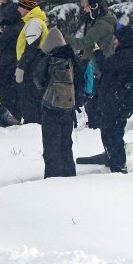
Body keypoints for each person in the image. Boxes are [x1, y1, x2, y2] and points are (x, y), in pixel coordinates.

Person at [34, 28, 82, 178]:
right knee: (66, 144)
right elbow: (80, 82)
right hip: (68, 108)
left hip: (50, 108)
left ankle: (53, 177)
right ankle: (69, 174)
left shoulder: (47, 59)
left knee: (51, 145)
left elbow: (38, 81)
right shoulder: (72, 59)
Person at [65, 0, 116, 128]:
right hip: (98, 62)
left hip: (99, 64)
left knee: (95, 97)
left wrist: (64, 39)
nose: (85, 11)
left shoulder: (101, 24)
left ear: (94, 7)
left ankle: (96, 124)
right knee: (95, 96)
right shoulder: (102, 19)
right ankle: (96, 121)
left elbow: (85, 42)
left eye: (87, 7)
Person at [96, 25, 133, 173]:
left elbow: (104, 65)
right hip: (119, 102)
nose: (115, 41)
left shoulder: (125, 56)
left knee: (112, 135)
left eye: (117, 38)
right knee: (114, 134)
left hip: (115, 103)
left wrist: (97, 53)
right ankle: (116, 163)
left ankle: (118, 168)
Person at [15, 0, 48, 124]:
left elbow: (31, 49)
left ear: (26, 7)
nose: (18, 9)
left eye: (20, 6)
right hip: (35, 64)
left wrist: (21, 67)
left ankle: (32, 124)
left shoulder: (34, 23)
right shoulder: (34, 21)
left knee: (31, 98)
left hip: (33, 66)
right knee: (33, 97)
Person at [0, 1, 22, 120]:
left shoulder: (10, 30)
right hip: (18, 63)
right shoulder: (22, 26)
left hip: (7, 63)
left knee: (5, 92)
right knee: (16, 92)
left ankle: (8, 117)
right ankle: (17, 115)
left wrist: (0, 33)